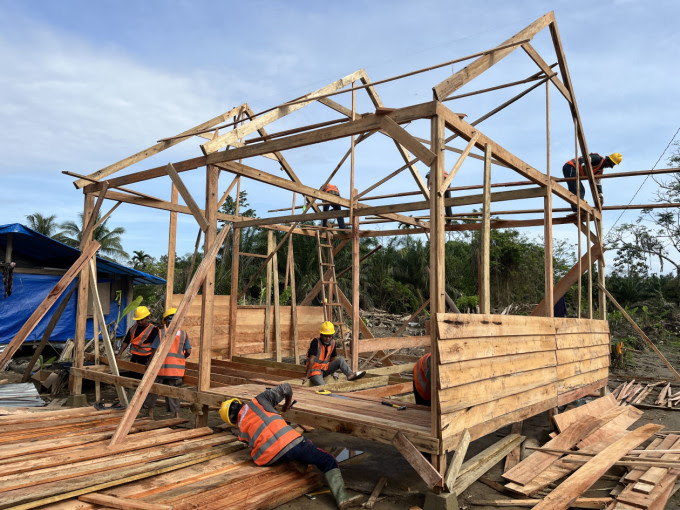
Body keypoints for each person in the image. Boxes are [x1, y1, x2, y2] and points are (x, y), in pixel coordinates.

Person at [220, 383, 360, 509]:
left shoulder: (241, 430)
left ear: (232, 421)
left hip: (269, 458)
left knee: (287, 451)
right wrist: (286, 405)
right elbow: (286, 387)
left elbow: (261, 435)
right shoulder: (260, 400)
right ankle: (342, 498)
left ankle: (295, 460)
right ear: (240, 402)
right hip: (292, 444)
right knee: (327, 459)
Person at [142, 308, 191, 419]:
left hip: (160, 369)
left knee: (153, 389)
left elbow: (154, 350)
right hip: (176, 371)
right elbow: (188, 351)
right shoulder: (183, 334)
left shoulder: (161, 333)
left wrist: (149, 364)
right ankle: (176, 415)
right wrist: (180, 358)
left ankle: (150, 413)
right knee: (174, 392)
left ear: (166, 321)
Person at [303, 321, 365, 386]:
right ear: (321, 335)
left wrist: (333, 372)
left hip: (325, 369)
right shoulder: (316, 342)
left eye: (330, 336)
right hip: (314, 371)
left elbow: (333, 358)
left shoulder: (333, 342)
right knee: (324, 387)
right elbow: (312, 359)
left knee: (340, 360)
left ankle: (350, 374)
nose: (328, 338)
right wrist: (307, 376)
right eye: (325, 336)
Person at [116, 305, 159, 370]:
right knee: (132, 373)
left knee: (142, 374)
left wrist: (150, 362)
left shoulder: (154, 330)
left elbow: (155, 348)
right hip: (134, 357)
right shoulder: (133, 328)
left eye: (141, 320)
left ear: (147, 318)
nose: (139, 322)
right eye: (137, 320)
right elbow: (126, 341)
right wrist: (119, 354)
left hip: (146, 358)